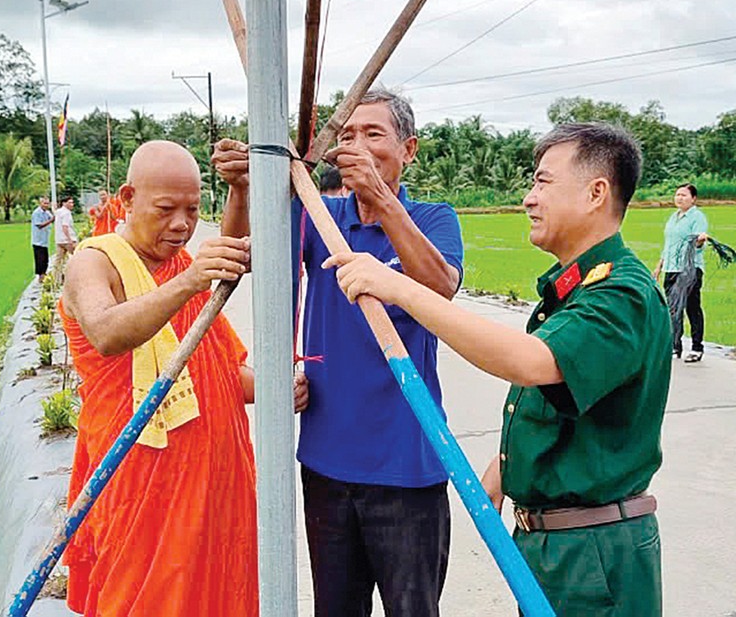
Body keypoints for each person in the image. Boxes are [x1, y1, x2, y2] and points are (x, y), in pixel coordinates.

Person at [324, 122, 671, 616]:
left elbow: (530, 363)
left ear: (596, 193)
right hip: (559, 543)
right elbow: (567, 403)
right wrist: (509, 467)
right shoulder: (572, 289)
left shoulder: (621, 294)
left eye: (542, 182)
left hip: (594, 549)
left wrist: (399, 287)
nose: (529, 199)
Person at [213, 87, 463, 617]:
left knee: (413, 609)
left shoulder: (433, 219)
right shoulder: (316, 217)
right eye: (347, 134)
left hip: (407, 468)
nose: (358, 145)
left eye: (374, 134)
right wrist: (240, 190)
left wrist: (382, 197)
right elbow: (239, 257)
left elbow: (440, 287)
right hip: (327, 465)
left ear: (409, 150)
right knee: (336, 608)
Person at [59, 140, 307, 617]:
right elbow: (108, 333)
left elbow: (209, 372)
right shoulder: (95, 262)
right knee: (142, 596)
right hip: (142, 482)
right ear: (127, 199)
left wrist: (278, 388)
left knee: (221, 591)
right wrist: (190, 280)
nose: (181, 224)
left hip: (216, 478)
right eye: (166, 209)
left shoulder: (176, 266)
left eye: (193, 210)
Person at [653, 183, 709, 362]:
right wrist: (660, 266)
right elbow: (670, 245)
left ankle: (697, 347)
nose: (679, 198)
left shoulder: (697, 217)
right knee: (672, 309)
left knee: (691, 307)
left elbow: (699, 241)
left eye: (684, 195)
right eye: (677, 194)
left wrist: (700, 241)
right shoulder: (673, 217)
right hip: (671, 267)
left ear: (693, 199)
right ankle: (675, 345)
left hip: (689, 269)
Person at [54, 195, 78, 285]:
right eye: (70, 202)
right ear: (64, 203)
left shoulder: (58, 212)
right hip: (67, 240)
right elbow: (65, 227)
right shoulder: (66, 213)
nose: (72, 204)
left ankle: (57, 280)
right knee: (77, 256)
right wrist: (70, 240)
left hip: (59, 240)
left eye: (72, 202)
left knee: (58, 261)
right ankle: (75, 277)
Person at [30, 196, 55, 283]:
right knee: (40, 259)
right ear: (40, 203)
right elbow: (39, 225)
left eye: (47, 203)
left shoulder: (47, 212)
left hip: (44, 240)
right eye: (44, 203)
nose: (46, 205)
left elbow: (53, 218)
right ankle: (41, 276)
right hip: (38, 241)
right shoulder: (37, 213)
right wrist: (50, 221)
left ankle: (44, 274)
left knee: (45, 259)